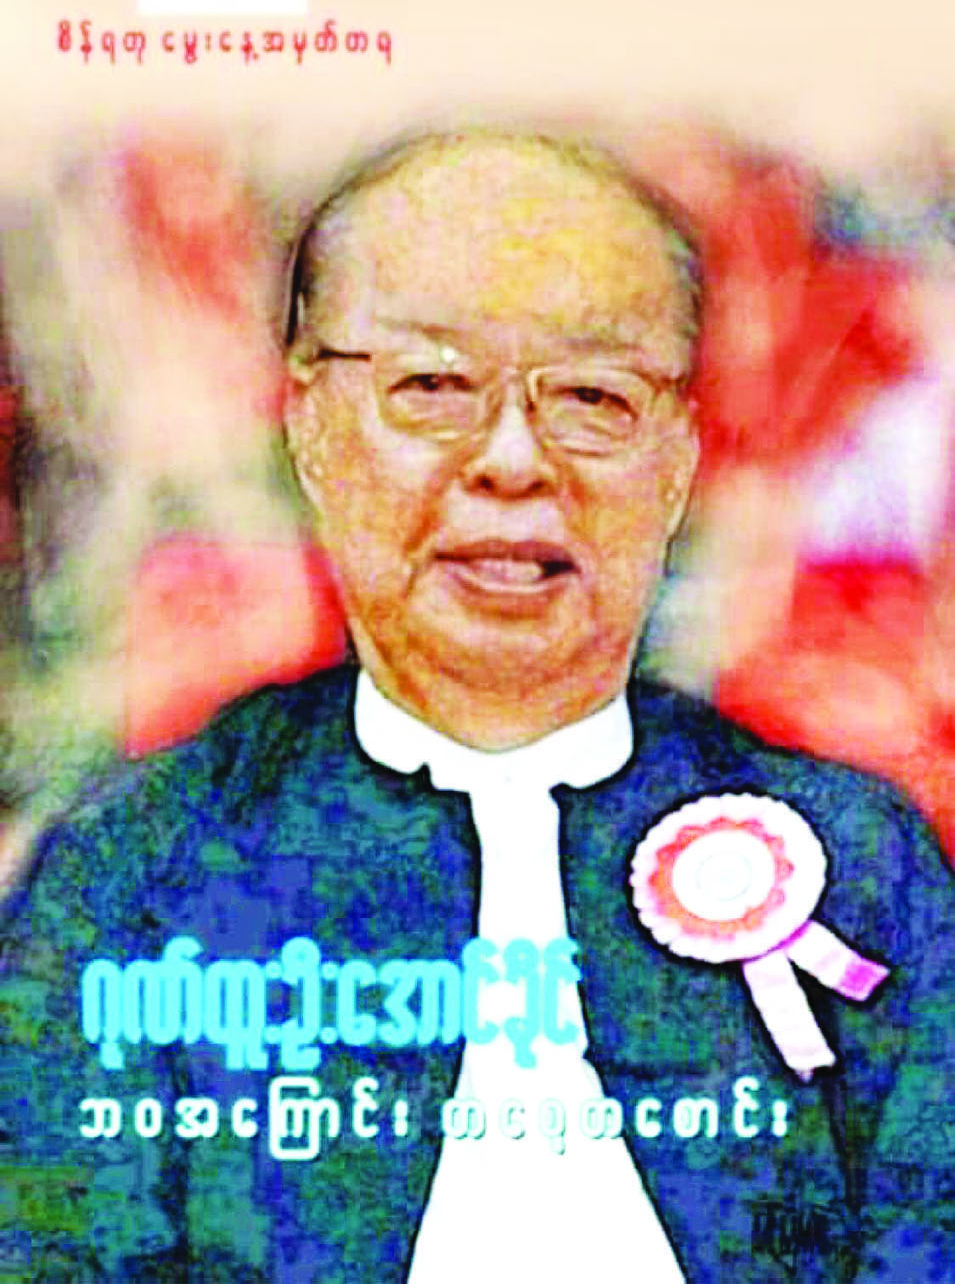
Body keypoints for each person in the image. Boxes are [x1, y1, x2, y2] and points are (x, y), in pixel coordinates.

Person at [0, 129, 952, 1283]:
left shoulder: (859, 861)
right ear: (308, 425)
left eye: (593, 395)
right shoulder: (131, 870)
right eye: (432, 388)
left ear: (679, 458)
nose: (512, 459)